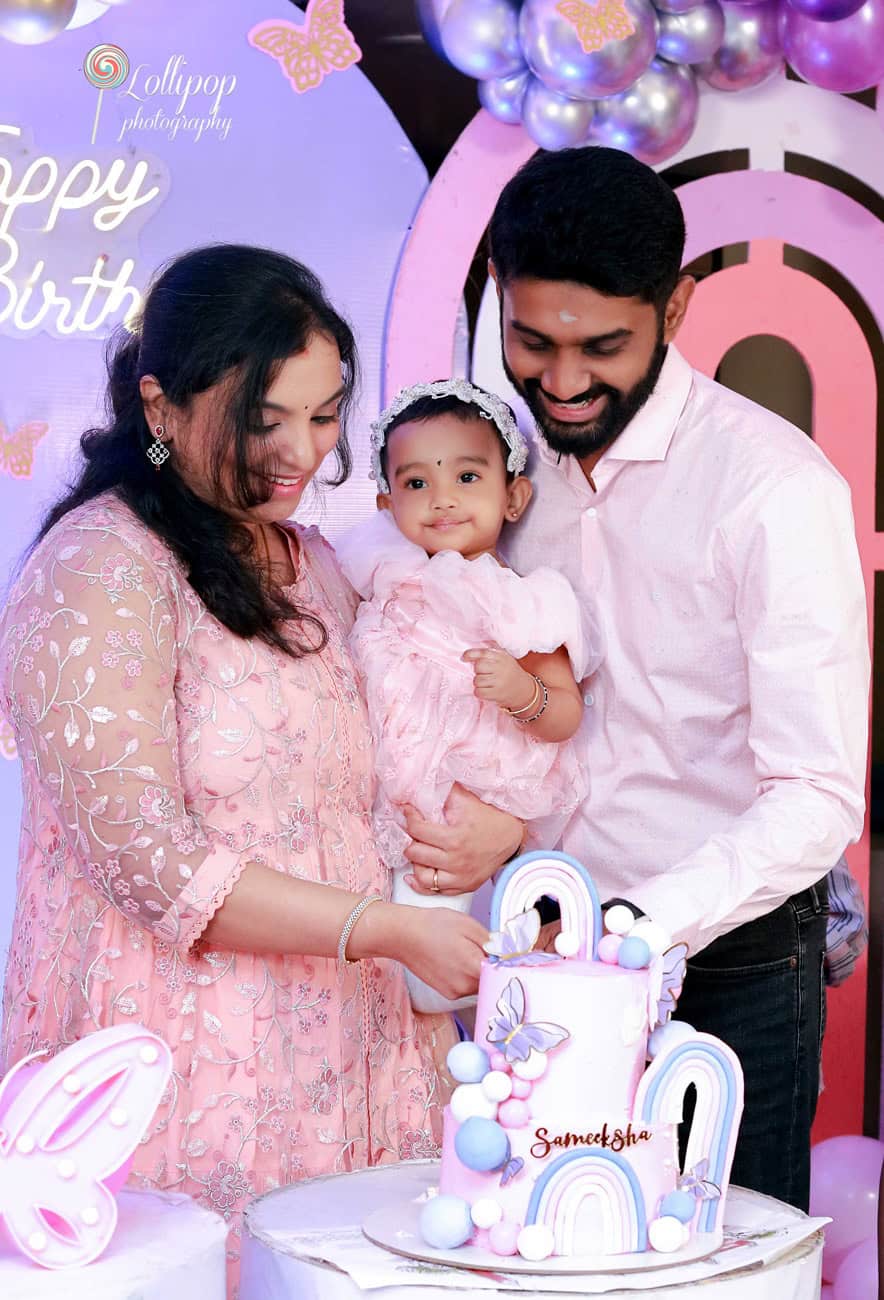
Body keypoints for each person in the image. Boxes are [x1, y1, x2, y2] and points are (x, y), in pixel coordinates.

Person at [0, 244, 496, 1287]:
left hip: (355, 1056)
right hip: (183, 1071)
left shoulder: (318, 562)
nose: (301, 451)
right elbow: (151, 865)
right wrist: (381, 929)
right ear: (162, 405)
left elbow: (387, 758)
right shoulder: (100, 566)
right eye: (265, 418)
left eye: (323, 417)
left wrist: (495, 825)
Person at [479, 146, 869, 1211]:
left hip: (726, 956)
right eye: (530, 341)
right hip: (537, 948)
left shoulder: (771, 490)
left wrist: (641, 928)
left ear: (677, 304)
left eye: (600, 347)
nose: (560, 383)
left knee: (721, 1267)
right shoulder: (503, 477)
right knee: (533, 1256)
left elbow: (817, 793)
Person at [336, 378, 598, 1032]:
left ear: (513, 496)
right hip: (375, 790)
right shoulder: (377, 574)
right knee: (370, 968)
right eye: (417, 484)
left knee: (437, 965)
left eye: (468, 477)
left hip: (466, 794)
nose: (442, 499)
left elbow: (566, 714)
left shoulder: (522, 600)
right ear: (385, 501)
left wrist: (523, 692)